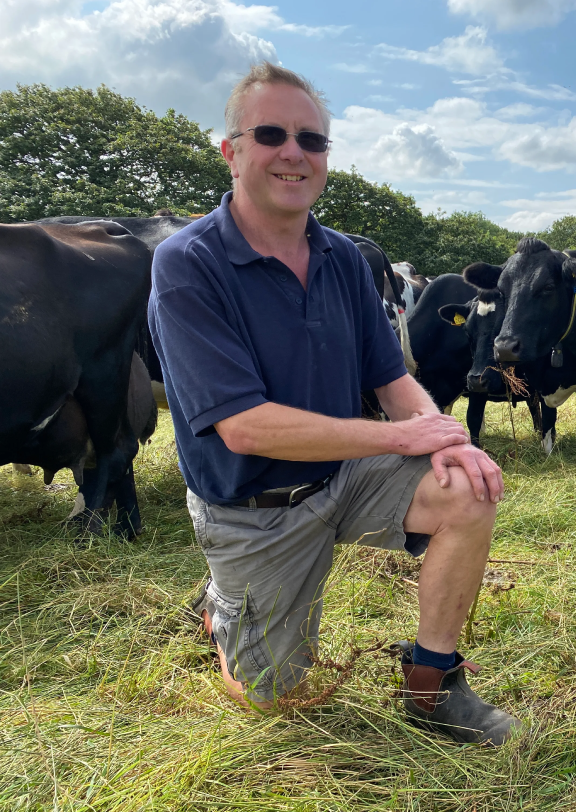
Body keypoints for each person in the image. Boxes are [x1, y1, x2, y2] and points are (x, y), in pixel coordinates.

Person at [148, 62, 520, 745]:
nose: (294, 152)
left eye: (312, 140)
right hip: (251, 507)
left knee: (469, 488)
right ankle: (223, 617)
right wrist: (399, 440)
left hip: (340, 476)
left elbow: (391, 381)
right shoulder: (187, 264)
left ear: (325, 158)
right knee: (275, 701)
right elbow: (244, 427)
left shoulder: (345, 258)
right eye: (271, 134)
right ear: (231, 152)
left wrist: (445, 437)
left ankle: (431, 684)